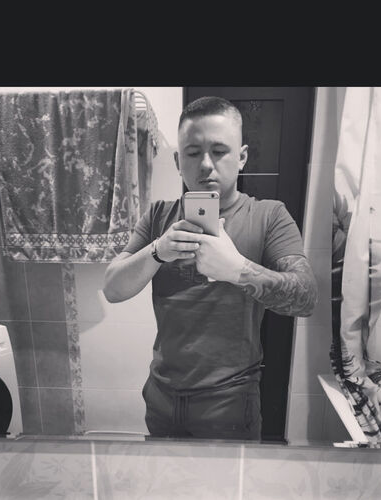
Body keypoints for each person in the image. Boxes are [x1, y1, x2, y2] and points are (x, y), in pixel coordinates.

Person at [103, 96, 318, 441]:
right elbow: (112, 289)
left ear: (242, 157)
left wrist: (237, 269)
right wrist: (158, 251)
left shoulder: (269, 216)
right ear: (178, 161)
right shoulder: (158, 217)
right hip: (161, 394)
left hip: (229, 400)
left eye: (219, 151)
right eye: (193, 153)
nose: (205, 165)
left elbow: (306, 298)